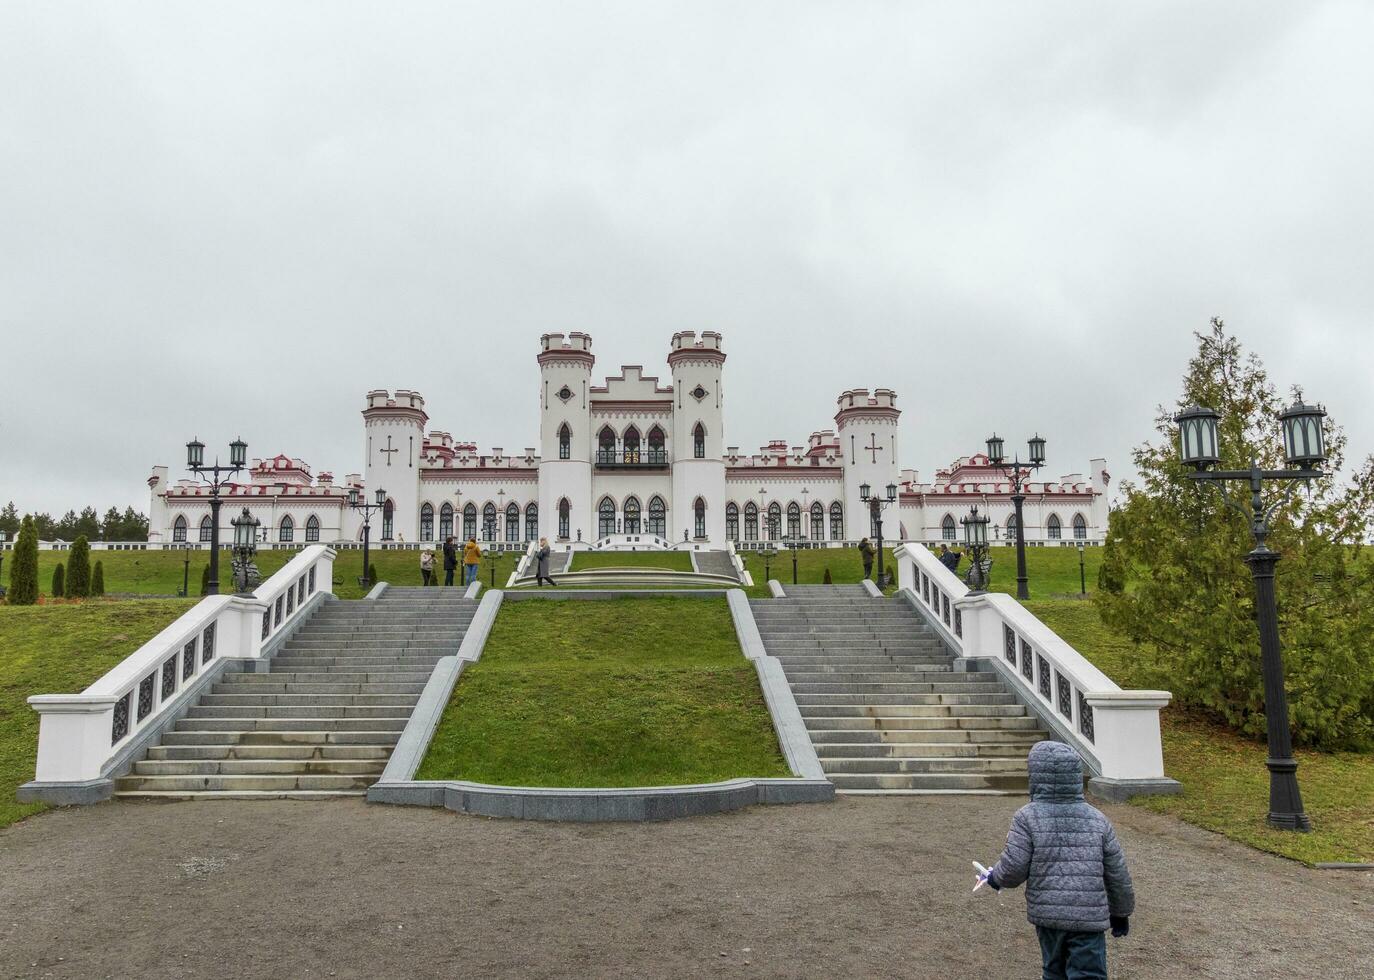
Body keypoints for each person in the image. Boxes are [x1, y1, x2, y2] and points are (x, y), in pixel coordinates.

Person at [977, 741, 1135, 980]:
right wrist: (1121, 911)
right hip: (1088, 917)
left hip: (1048, 914)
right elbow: (1117, 873)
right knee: (1088, 974)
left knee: (1053, 971)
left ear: (1036, 776)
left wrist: (996, 878)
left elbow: (1014, 866)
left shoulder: (1027, 817)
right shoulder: (1098, 820)